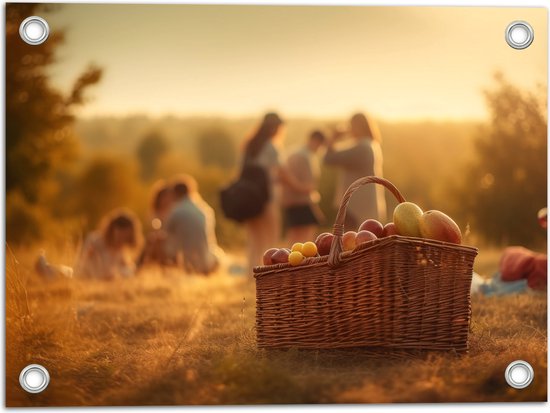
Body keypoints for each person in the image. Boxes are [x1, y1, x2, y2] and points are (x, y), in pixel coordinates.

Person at [242, 112, 313, 273]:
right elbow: (283, 173)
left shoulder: (249, 145)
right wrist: (302, 187)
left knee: (254, 241)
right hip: (267, 199)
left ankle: (250, 275)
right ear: (275, 127)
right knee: (270, 241)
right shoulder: (271, 146)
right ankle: (267, 276)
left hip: (249, 200)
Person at [324, 113, 386, 231]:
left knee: (351, 242)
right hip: (365, 204)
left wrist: (334, 138)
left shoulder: (362, 148)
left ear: (358, 126)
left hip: (355, 205)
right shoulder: (371, 145)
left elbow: (329, 159)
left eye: (351, 125)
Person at [164, 175, 221, 275]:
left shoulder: (176, 211)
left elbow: (166, 232)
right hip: (207, 259)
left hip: (187, 261)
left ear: (175, 193)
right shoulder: (204, 209)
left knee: (158, 240)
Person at [281, 130, 326, 245]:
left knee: (295, 236)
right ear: (316, 141)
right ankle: (302, 261)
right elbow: (309, 186)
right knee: (304, 238)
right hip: (301, 202)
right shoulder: (305, 157)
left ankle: (292, 260)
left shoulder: (294, 153)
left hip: (290, 201)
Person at [76, 208, 143, 280]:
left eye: (125, 236)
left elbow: (127, 270)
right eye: (120, 234)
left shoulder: (121, 252)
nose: (122, 239)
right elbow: (83, 265)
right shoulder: (94, 241)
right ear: (112, 230)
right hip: (86, 278)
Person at [138, 180, 176, 267]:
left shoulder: (174, 213)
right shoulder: (154, 213)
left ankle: (160, 265)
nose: (167, 199)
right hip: (157, 240)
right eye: (164, 197)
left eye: (169, 197)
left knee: (156, 240)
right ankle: (155, 265)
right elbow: (153, 227)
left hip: (170, 240)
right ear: (159, 198)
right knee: (154, 240)